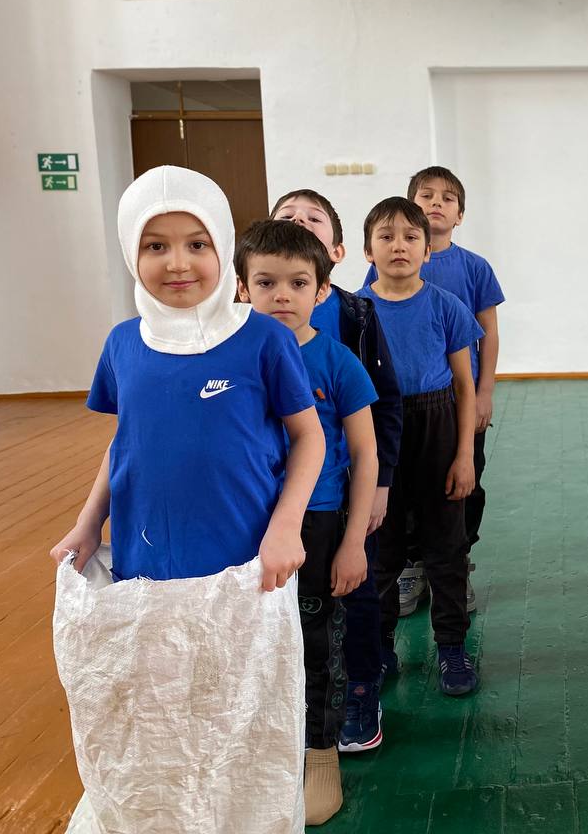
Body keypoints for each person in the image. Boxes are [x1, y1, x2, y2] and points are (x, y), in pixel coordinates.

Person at [49, 166, 324, 819]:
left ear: (223, 248)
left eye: (197, 244)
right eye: (156, 245)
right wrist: (88, 523)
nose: (177, 262)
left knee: (242, 708)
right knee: (164, 709)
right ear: (131, 253)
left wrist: (286, 526)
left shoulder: (262, 338)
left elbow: (309, 439)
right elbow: (126, 444)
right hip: (149, 567)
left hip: (244, 568)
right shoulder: (124, 344)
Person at [236, 220, 378, 825]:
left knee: (313, 640)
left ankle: (320, 752)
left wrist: (353, 541)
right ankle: (259, 752)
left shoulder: (337, 360)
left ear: (322, 290)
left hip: (317, 522)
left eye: (298, 283)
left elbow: (366, 453)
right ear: (242, 287)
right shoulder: (229, 355)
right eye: (266, 282)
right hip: (245, 522)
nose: (282, 295)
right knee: (249, 640)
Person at [268, 188, 404, 754]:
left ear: (335, 255)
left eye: (313, 218)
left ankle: (360, 690)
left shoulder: (354, 318)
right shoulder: (242, 333)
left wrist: (380, 485)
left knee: (354, 591)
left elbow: (382, 410)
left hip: (337, 495)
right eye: (287, 217)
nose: (300, 223)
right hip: (265, 503)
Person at [362, 168, 503, 617]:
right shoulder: (377, 279)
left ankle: (456, 562)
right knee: (398, 495)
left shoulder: (473, 269)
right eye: (427, 195)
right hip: (392, 408)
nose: (437, 202)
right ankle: (411, 565)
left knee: (461, 485)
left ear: (460, 215)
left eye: (448, 198)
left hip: (452, 402)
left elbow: (488, 333)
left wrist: (484, 392)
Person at [359, 197, 482, 696]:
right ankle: (380, 645)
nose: (399, 246)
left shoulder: (446, 306)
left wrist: (464, 454)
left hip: (437, 427)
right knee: (381, 548)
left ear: (427, 251)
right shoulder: (352, 312)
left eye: (411, 237)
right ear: (367, 250)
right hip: (375, 431)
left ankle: (451, 647)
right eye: (386, 237)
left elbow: (465, 386)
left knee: (445, 546)